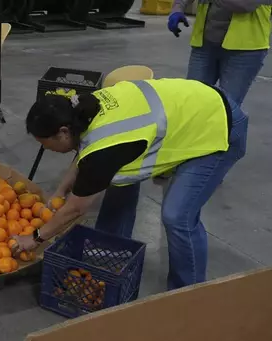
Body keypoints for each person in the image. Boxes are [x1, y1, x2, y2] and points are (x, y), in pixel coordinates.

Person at [12, 78, 247, 290]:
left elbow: (76, 207)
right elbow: (85, 153)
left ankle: (188, 292)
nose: (46, 149)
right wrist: (62, 190)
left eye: (45, 143)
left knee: (177, 216)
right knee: (119, 179)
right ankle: (111, 252)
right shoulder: (82, 110)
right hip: (194, 106)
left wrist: (35, 238)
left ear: (63, 133)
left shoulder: (102, 151)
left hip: (217, 125)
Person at [168, 0, 270, 105]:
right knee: (192, 100)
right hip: (205, 44)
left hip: (245, 49)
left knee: (227, 106)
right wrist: (177, 9)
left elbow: (245, 5)